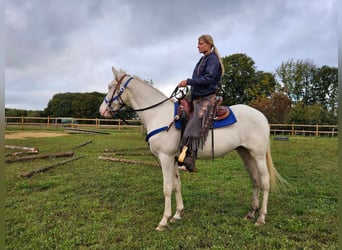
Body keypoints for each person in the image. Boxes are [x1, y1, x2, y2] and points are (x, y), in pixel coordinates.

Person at [177, 34, 224, 172]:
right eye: (198, 43)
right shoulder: (203, 60)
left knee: (194, 121)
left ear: (209, 44)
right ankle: (181, 151)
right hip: (196, 97)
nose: (198, 46)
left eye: (201, 43)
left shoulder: (213, 60)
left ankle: (190, 158)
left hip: (207, 98)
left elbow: (208, 79)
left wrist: (188, 81)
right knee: (183, 113)